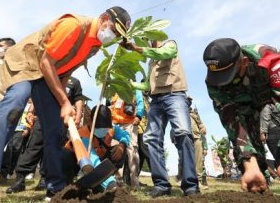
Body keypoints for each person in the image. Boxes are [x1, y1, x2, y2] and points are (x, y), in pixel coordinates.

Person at [0, 6, 131, 203]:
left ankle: (56, 188)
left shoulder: (94, 46)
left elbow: (65, 71)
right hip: (27, 64)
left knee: (55, 128)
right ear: (105, 18)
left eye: (117, 35)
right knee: (14, 106)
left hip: (48, 75)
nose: (112, 36)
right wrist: (65, 101)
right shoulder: (74, 25)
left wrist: (61, 102)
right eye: (114, 29)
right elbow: (46, 62)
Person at [203, 38, 280, 200]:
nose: (223, 81)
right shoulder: (214, 80)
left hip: (274, 100)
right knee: (247, 154)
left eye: (229, 74)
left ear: (244, 62)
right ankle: (258, 190)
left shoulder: (270, 58)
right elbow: (231, 120)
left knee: (279, 139)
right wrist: (250, 163)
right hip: (246, 108)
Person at [123, 38, 200, 197]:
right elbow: (148, 86)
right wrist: (129, 84)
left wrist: (137, 48)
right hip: (156, 100)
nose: (146, 42)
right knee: (151, 139)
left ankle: (190, 185)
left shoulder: (170, 45)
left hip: (175, 95)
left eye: (147, 39)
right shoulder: (151, 61)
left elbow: (165, 53)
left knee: (183, 134)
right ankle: (161, 184)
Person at [5, 76, 84, 193]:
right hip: (42, 117)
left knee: (52, 149)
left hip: (61, 120)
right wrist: (31, 111)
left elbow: (78, 99)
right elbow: (39, 95)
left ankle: (45, 179)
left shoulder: (75, 82)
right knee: (33, 147)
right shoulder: (50, 75)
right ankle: (20, 179)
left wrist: (77, 117)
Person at [63, 105, 130, 192]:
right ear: (91, 122)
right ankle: (99, 181)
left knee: (122, 150)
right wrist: (110, 182)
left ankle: (105, 178)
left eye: (105, 127)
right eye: (99, 127)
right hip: (80, 164)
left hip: (101, 159)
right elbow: (93, 160)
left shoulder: (111, 128)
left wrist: (122, 145)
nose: (103, 130)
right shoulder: (83, 135)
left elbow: (125, 135)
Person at [110, 91, 143, 190]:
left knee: (132, 151)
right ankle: (117, 184)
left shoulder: (134, 88)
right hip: (114, 124)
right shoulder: (113, 88)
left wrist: (138, 116)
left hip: (130, 123)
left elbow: (140, 102)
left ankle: (135, 184)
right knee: (115, 153)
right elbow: (108, 103)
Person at [0, 99, 34, 184]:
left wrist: (27, 128)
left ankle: (10, 171)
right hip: (10, 127)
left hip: (21, 129)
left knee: (15, 149)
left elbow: (30, 118)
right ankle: (3, 173)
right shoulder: (17, 101)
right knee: (8, 149)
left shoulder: (31, 107)